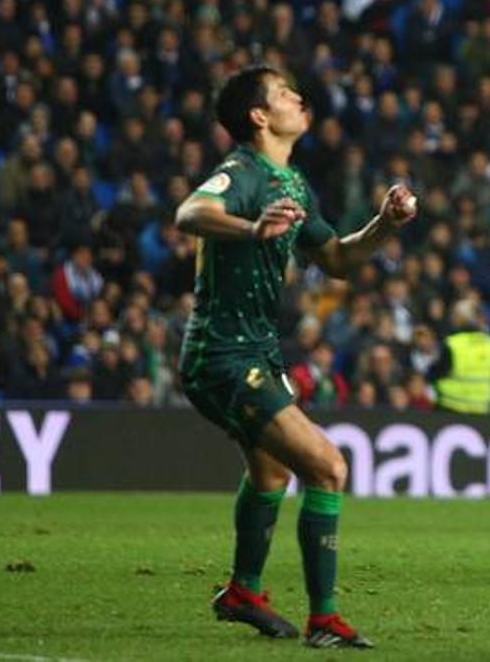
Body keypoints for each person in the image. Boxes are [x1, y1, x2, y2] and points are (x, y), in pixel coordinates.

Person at [177, 66, 416, 648]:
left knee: (271, 472)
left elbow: (337, 258)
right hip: (223, 354)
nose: (297, 97)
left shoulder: (294, 184)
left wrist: (384, 225)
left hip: (255, 349)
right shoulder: (242, 172)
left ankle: (243, 591)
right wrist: (251, 227)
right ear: (259, 116)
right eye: (284, 93)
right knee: (328, 466)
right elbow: (189, 214)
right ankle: (324, 618)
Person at [434, 298, 490, 415]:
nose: (452, 318)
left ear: (461, 318)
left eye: (455, 315)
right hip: (482, 409)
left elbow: (436, 372)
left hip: (452, 407)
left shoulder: (453, 344)